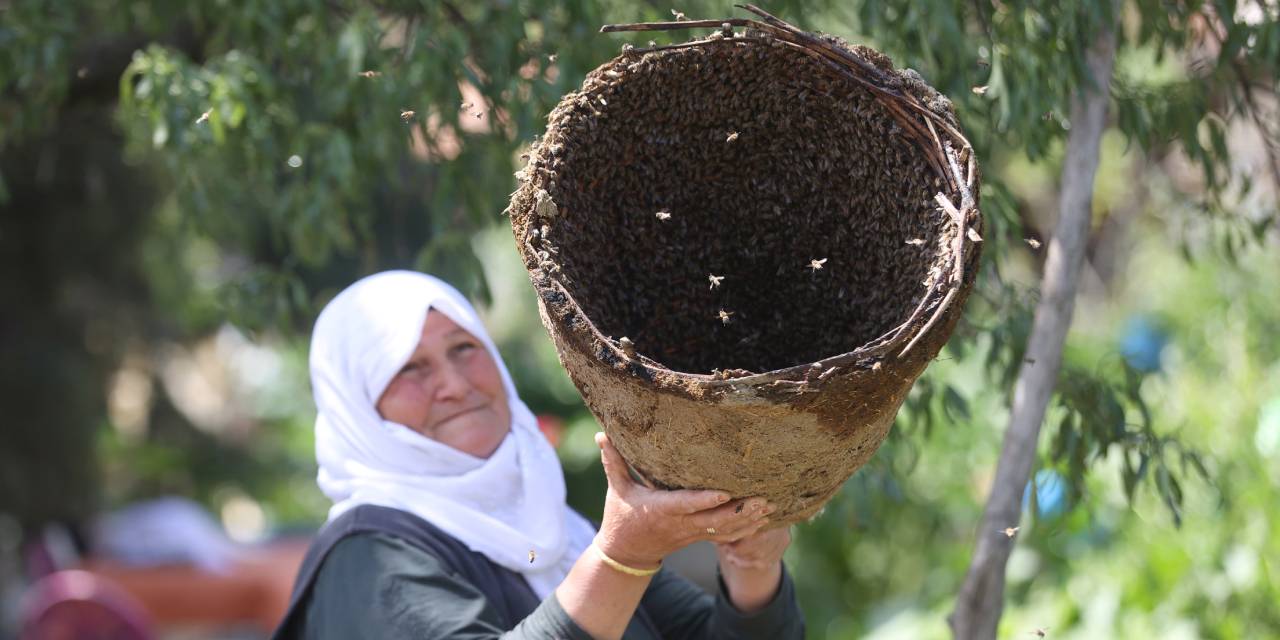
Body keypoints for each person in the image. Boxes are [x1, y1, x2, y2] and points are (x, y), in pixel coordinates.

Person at [272, 271, 803, 639]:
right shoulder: (367, 557)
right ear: (358, 409)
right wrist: (623, 557)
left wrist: (750, 563)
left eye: (464, 349)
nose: (454, 385)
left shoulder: (550, 529)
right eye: (409, 369)